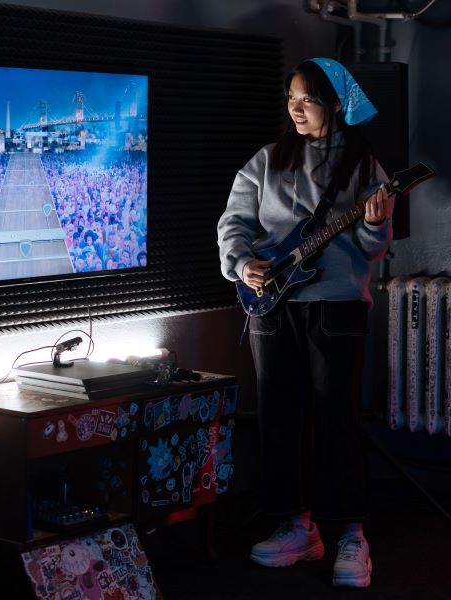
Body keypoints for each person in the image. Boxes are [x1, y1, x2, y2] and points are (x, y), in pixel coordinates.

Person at [217, 57, 394, 589]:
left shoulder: (366, 169)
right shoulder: (267, 161)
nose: (294, 108)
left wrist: (375, 226)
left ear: (335, 104)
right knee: (279, 417)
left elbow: (372, 249)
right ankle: (296, 527)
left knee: (337, 418)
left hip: (337, 306)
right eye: (290, 98)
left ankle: (349, 535)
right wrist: (242, 262)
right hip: (273, 307)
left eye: (307, 99)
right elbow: (235, 223)